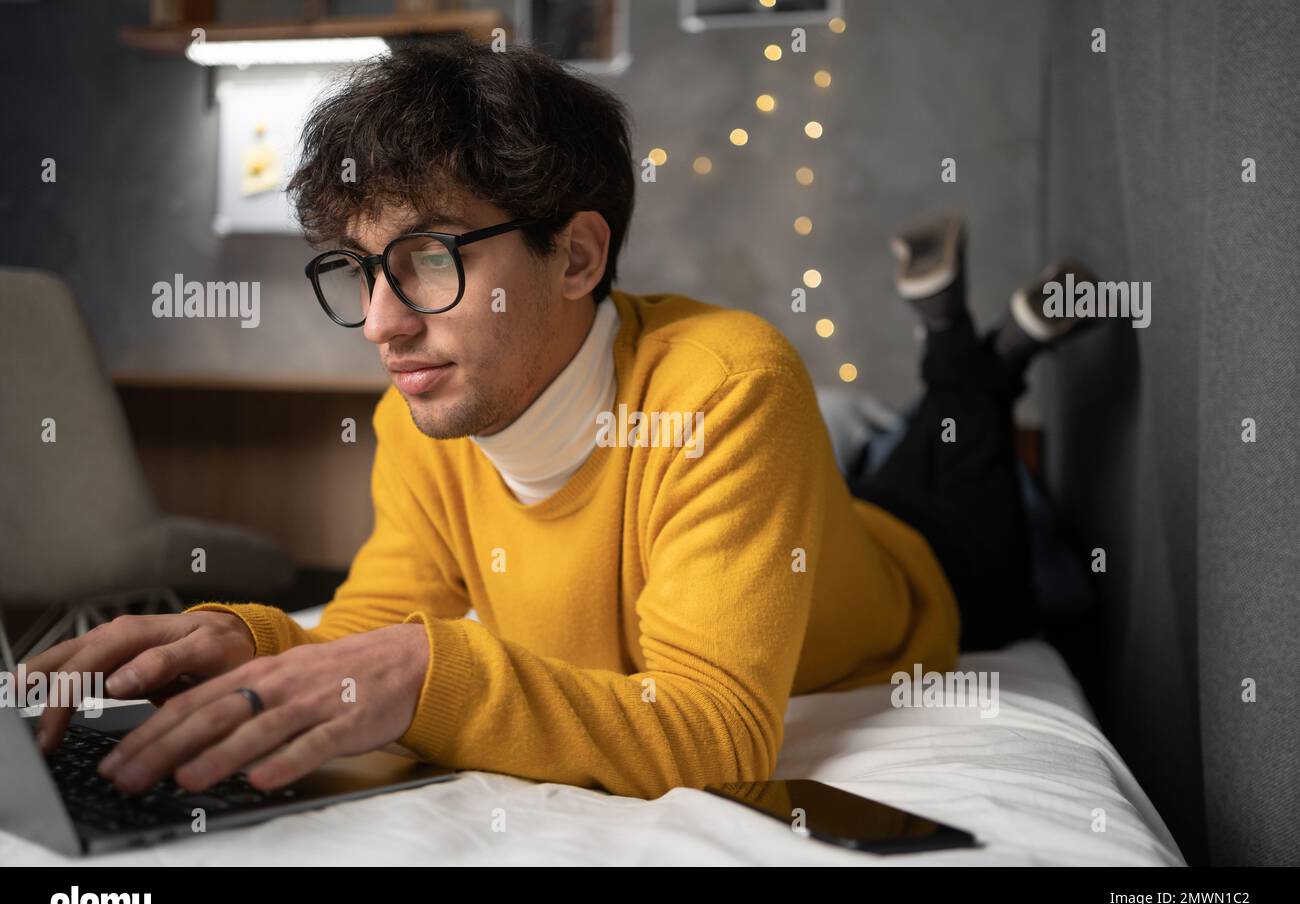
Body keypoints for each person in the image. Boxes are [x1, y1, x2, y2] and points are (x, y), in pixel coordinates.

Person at [25, 38, 1094, 801]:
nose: (381, 325)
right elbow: (383, 617)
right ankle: (972, 351)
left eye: (428, 260)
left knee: (962, 460)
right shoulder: (420, 418)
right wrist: (243, 636)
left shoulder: (728, 385)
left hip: (929, 574)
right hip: (808, 508)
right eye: (356, 272)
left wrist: (434, 673)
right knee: (901, 439)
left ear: (577, 254)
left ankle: (971, 354)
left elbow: (716, 730)